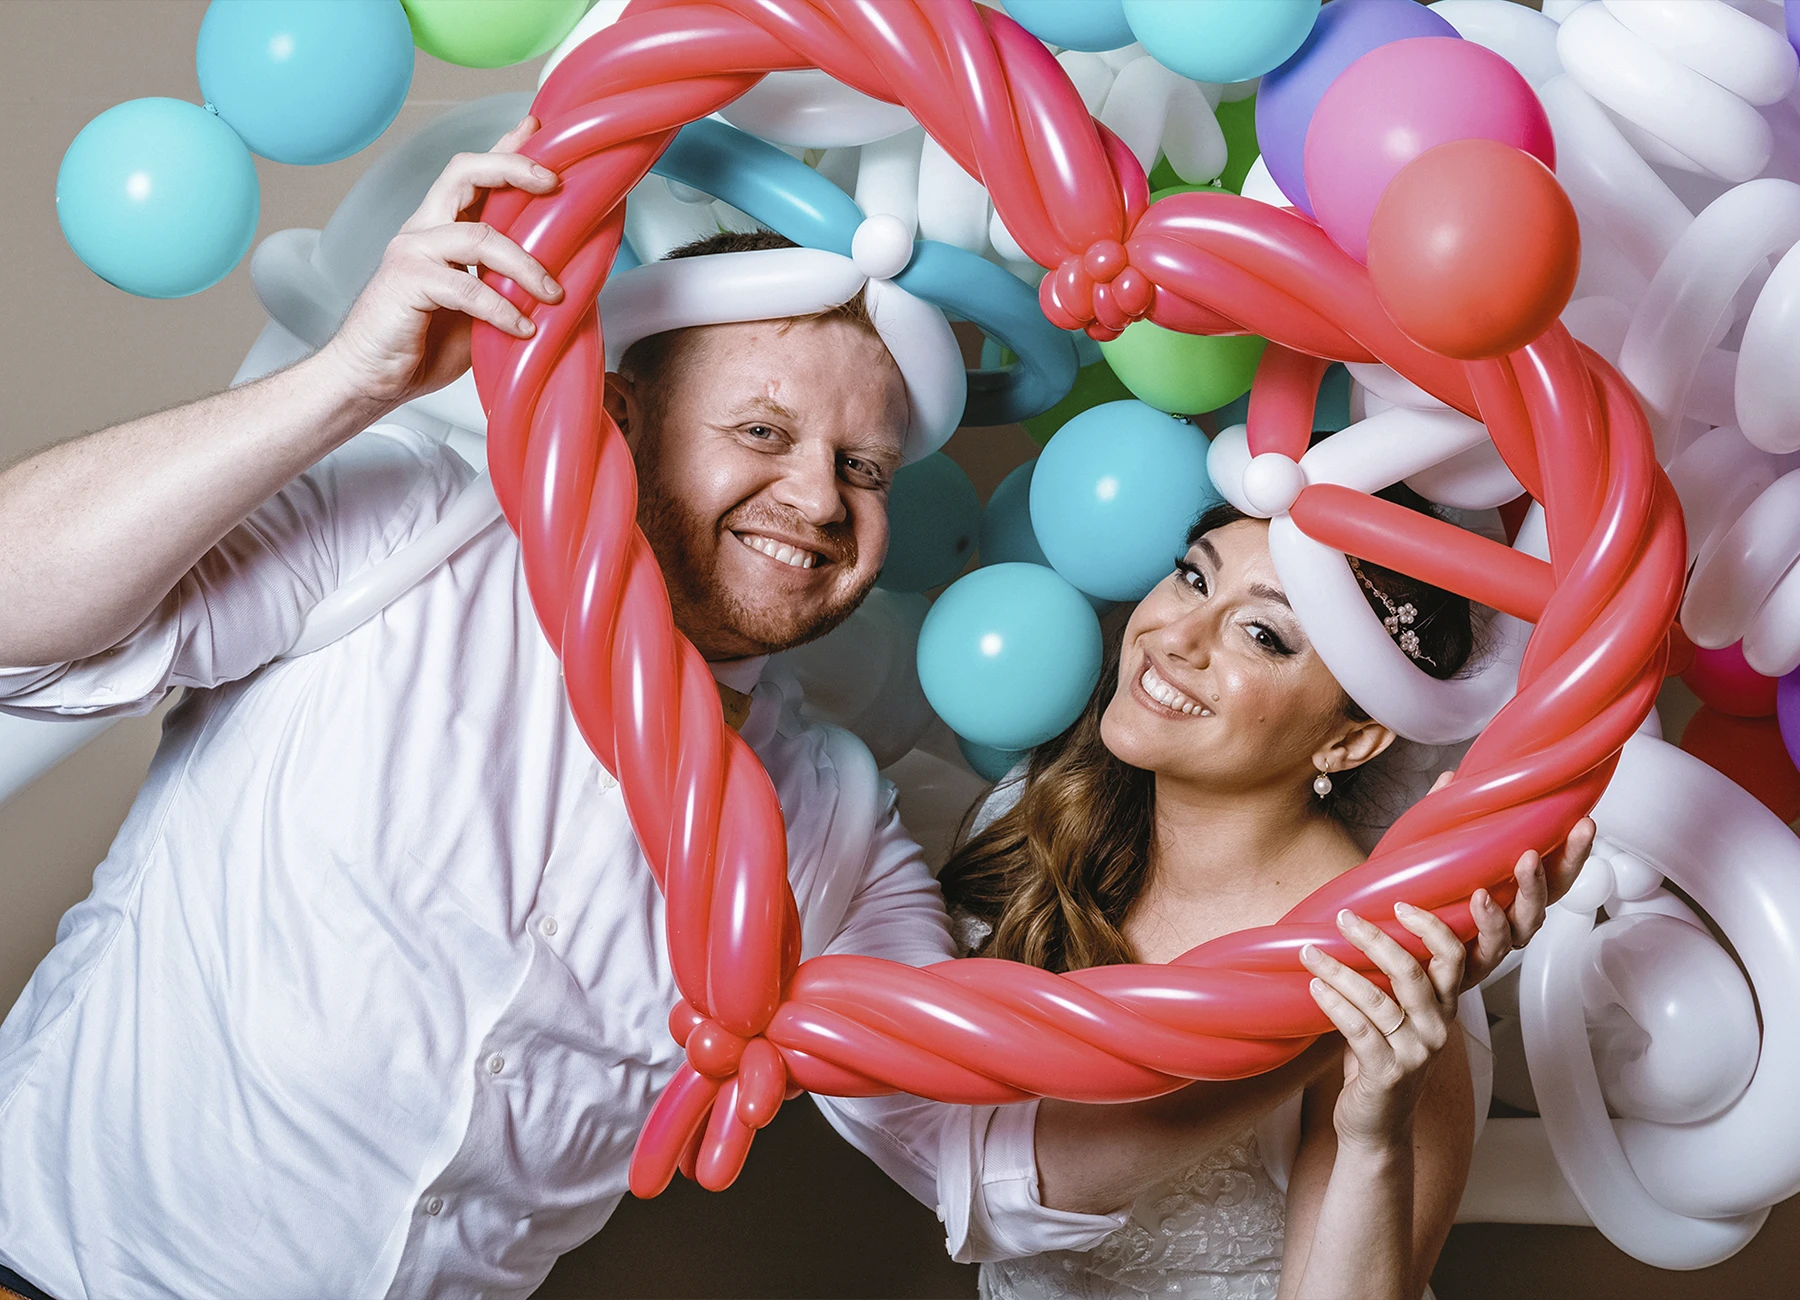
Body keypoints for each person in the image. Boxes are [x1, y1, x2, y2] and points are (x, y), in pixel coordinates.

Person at [0, 116, 1567, 1299]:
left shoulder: (823, 809)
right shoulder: (418, 524)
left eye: (867, 469)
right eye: (761, 428)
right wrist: (341, 384)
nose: (815, 499)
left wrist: (1326, 1006)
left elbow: (1004, 1167)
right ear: (619, 412)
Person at [939, 494, 1596, 1300]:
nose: (1174, 639)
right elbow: (961, 1167)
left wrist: (1373, 1139)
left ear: (1349, 739)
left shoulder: (1388, 962)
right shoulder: (1037, 813)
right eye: (1191, 578)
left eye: (1262, 634)